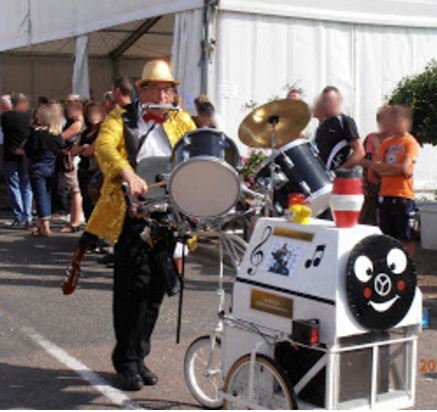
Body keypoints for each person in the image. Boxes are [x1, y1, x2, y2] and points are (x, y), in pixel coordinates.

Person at [64, 60, 196, 390]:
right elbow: (105, 148)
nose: (166, 94)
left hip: (169, 215)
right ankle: (124, 361)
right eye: (160, 88)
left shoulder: (181, 119)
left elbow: (196, 150)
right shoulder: (120, 118)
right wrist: (126, 172)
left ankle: (140, 355)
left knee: (156, 290)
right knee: (132, 289)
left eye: (170, 88)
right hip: (132, 214)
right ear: (143, 90)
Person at [366, 105, 420, 257]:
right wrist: (394, 169)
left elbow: (406, 169)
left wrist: (386, 169)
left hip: (403, 196)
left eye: (398, 119)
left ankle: (409, 272)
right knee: (387, 236)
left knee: (406, 237)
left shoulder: (410, 142)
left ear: (406, 122)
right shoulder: (386, 143)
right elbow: (376, 167)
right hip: (385, 194)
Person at [24, 105, 65, 236]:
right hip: (51, 167)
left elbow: (28, 150)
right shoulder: (55, 134)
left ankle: (45, 226)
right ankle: (41, 226)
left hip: (37, 167)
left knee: (40, 196)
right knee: (46, 195)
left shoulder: (36, 134)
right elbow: (62, 148)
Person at [1, 92, 33, 226]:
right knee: (26, 186)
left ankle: (19, 216)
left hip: (10, 154)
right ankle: (28, 215)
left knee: (14, 185)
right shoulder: (28, 117)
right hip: (26, 154)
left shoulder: (5, 117)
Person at [315, 86, 365, 170]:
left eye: (329, 101)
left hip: (342, 178)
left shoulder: (345, 121)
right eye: (323, 101)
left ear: (337, 102)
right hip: (325, 176)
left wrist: (341, 170)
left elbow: (359, 152)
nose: (325, 105)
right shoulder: (322, 126)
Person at [360, 105, 391, 225]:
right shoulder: (370, 137)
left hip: (387, 190)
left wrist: (378, 149)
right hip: (369, 189)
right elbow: (361, 159)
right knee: (365, 225)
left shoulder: (396, 142)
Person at [59, 98, 85, 233]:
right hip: (73, 158)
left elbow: (61, 137)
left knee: (75, 191)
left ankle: (75, 221)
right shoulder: (76, 123)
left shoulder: (77, 124)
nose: (67, 110)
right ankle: (75, 219)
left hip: (74, 159)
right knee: (75, 191)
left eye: (69, 108)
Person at [75, 102, 104, 221]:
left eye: (96, 112)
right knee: (86, 200)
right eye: (91, 113)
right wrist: (83, 148)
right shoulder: (85, 132)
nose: (93, 115)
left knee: (96, 200)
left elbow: (91, 151)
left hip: (97, 170)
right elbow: (72, 150)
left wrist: (83, 149)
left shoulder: (103, 131)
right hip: (84, 169)